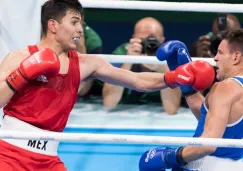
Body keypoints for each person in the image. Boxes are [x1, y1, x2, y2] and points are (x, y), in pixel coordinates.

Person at [0, 0, 214, 170]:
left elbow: (138, 81)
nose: (80, 30)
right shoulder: (19, 58)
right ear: (53, 25)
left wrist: (175, 77)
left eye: (81, 23)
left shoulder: (86, 64)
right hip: (9, 152)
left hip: (48, 159)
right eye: (74, 22)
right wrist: (21, 74)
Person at [139, 29, 243, 171]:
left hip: (205, 165)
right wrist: (187, 85)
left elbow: (208, 145)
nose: (215, 58)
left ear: (236, 57)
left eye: (221, 52)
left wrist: (170, 156)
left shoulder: (224, 88)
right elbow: (215, 121)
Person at [102, 17, 181, 114]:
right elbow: (109, 103)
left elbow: (171, 110)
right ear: (133, 39)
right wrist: (127, 61)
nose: (148, 44)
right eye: (142, 40)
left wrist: (164, 71)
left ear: (162, 40)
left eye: (153, 40)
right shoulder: (122, 53)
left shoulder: (172, 57)